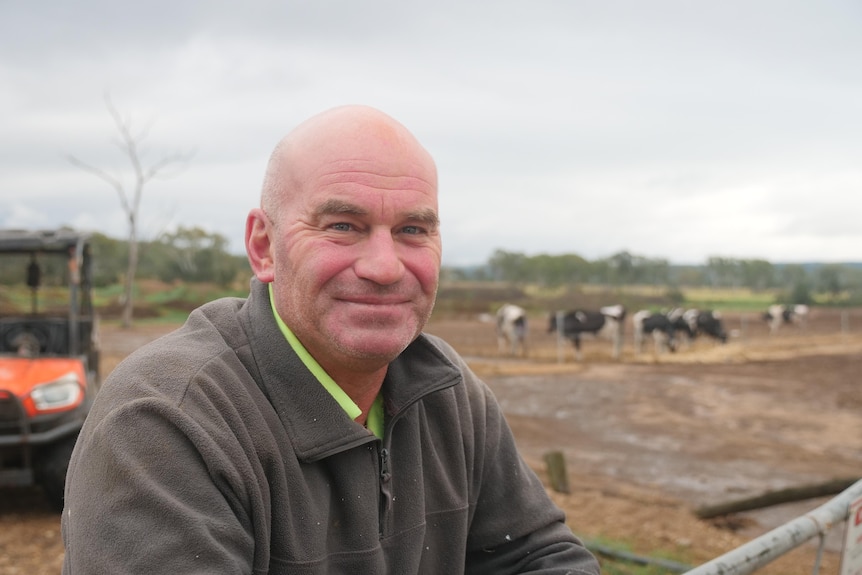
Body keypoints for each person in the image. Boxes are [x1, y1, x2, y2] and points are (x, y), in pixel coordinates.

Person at [61, 105, 600, 575]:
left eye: (413, 230)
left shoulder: (446, 393)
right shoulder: (167, 423)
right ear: (264, 246)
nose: (386, 268)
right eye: (343, 225)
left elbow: (542, 558)